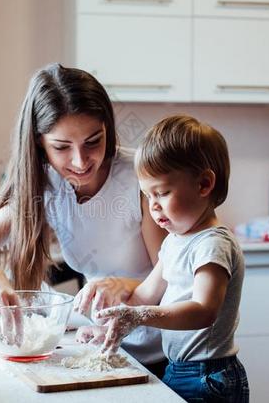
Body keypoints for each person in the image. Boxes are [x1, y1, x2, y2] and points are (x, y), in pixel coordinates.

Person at [0, 63, 168, 376]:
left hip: (158, 353)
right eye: (61, 147)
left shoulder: (138, 179)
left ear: (107, 130)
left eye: (93, 141)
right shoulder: (45, 187)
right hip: (103, 347)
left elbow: (174, 275)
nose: (81, 161)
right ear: (39, 144)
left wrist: (123, 285)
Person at [87, 115, 249, 402]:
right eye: (147, 196)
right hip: (178, 368)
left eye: (161, 193)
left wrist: (141, 316)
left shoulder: (213, 244)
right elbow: (144, 296)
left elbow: (203, 310)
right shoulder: (175, 242)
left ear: (204, 184)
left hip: (209, 377)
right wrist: (106, 328)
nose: (153, 207)